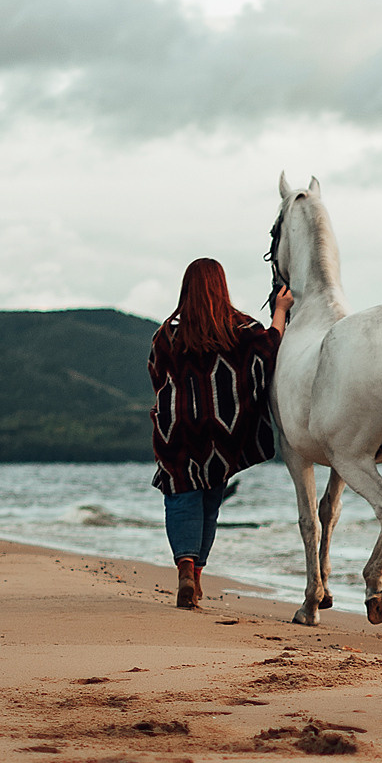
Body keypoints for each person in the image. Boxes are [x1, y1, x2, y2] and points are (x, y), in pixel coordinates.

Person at [148, 258, 294, 607]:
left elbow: (156, 377)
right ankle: (196, 578)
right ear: (220, 288)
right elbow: (269, 349)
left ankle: (184, 566)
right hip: (222, 436)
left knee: (181, 497)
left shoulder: (166, 335)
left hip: (178, 431)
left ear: (187, 289)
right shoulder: (239, 331)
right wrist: (280, 309)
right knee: (210, 503)